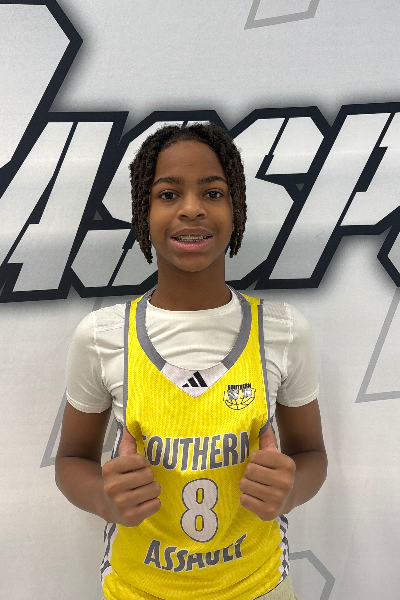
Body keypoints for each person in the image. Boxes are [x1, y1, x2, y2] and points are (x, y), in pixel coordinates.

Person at [55, 123, 327, 600]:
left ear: (236, 211)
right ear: (143, 214)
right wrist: (103, 498)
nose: (191, 208)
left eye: (213, 192)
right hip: (138, 590)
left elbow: (312, 455)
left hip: (260, 586)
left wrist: (291, 490)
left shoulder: (283, 330)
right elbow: (71, 460)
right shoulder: (102, 336)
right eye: (168, 194)